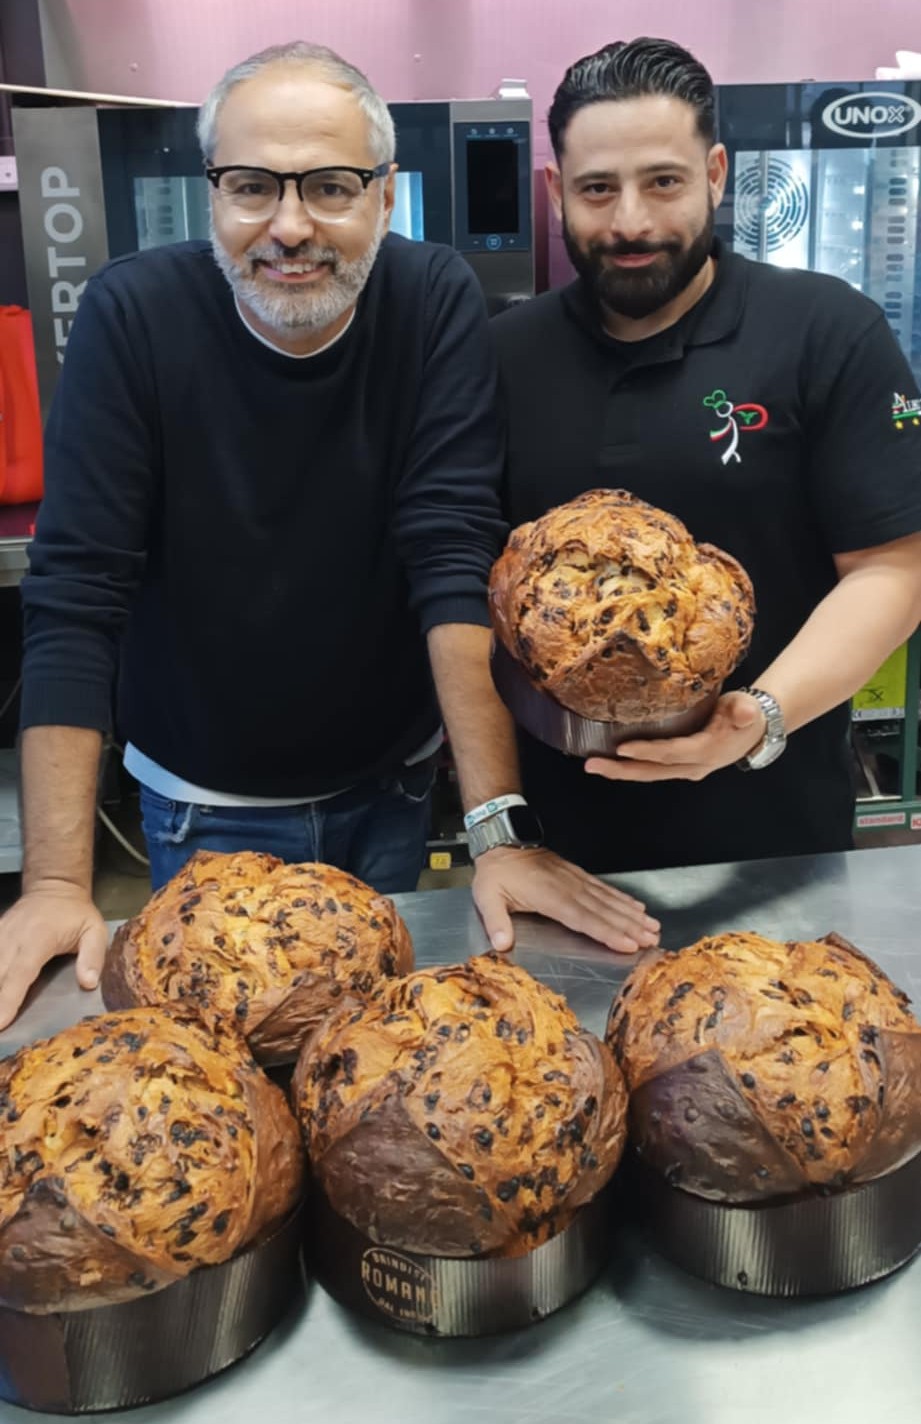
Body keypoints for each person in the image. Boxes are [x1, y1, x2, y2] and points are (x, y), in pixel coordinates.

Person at [0, 41, 659, 1030]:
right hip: (201, 801)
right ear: (211, 194)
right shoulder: (131, 316)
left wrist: (498, 831)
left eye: (331, 186)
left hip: (388, 782)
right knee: (228, 1061)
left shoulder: (431, 300)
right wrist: (57, 880)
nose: (290, 226)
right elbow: (75, 595)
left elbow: (451, 554)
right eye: (252, 186)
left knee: (369, 1054)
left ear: (384, 198)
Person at [490, 37, 921, 874]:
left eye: (663, 181)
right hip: (555, 852)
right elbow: (466, 592)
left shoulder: (825, 331)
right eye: (596, 188)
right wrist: (497, 828)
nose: (630, 222)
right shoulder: (503, 356)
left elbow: (893, 569)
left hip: (773, 840)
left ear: (716, 174)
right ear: (554, 191)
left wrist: (757, 717)